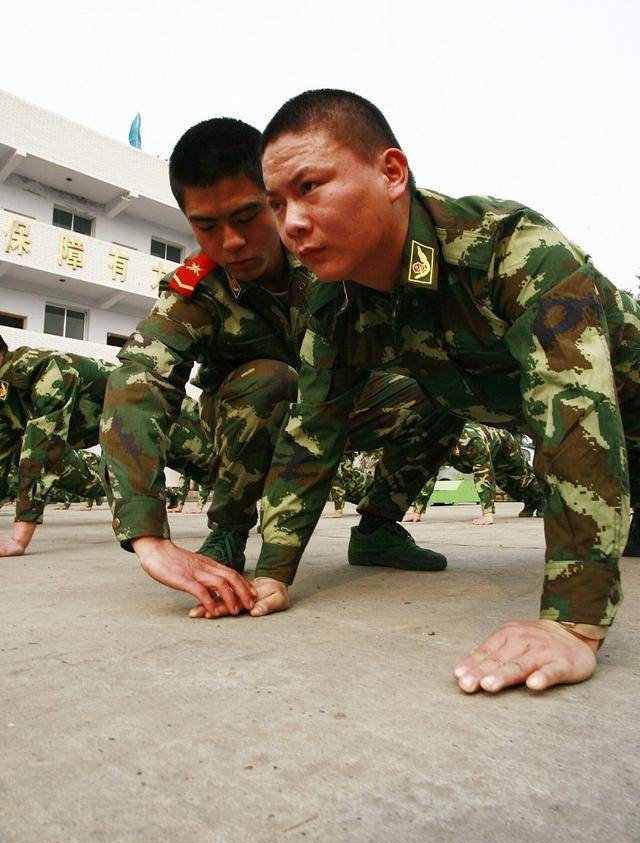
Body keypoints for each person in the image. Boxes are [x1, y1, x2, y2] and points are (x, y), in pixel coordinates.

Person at [249, 87, 640, 694]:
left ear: (391, 173)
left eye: (310, 187)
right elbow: (311, 433)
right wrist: (271, 574)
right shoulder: (338, 306)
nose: (291, 223)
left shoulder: (514, 250)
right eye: (276, 204)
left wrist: (573, 621)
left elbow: (576, 412)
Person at [100, 117, 458, 620]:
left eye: (247, 216)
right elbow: (137, 385)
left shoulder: (326, 251)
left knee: (439, 387)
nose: (231, 242)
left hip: (331, 409)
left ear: (274, 198)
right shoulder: (197, 294)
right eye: (207, 226)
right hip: (239, 429)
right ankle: (227, 532)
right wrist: (149, 539)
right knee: (270, 377)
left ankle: (380, 526)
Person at [0, 339, 113, 556]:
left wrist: (18, 539)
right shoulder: (4, 392)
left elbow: (42, 449)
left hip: (159, 411)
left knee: (198, 463)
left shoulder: (43, 369)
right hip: (117, 435)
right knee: (106, 484)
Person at [406, 423, 545, 525]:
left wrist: (487, 514)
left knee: (522, 476)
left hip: (504, 446)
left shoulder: (472, 441)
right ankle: (530, 502)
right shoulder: (439, 446)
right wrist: (417, 511)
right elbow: (429, 477)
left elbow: (483, 474)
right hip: (486, 449)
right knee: (504, 482)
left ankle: (543, 501)